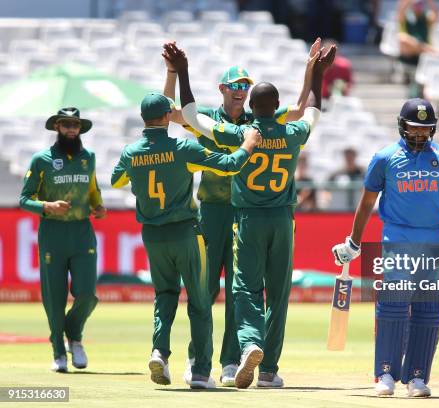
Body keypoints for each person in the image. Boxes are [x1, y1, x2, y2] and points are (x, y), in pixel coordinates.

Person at [164, 41, 334, 389]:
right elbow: (309, 111)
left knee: (242, 292)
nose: (241, 90)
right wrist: (317, 72)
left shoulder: (244, 131)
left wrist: (182, 71)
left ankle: (232, 360)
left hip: (245, 216)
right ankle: (212, 360)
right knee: (210, 289)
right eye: (235, 85)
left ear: (253, 103)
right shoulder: (281, 131)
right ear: (224, 89)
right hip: (227, 212)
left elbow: (300, 107)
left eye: (246, 86)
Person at [110, 92, 260, 388]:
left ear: (143, 118)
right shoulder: (182, 148)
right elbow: (230, 165)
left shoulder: (131, 152)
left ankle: (159, 352)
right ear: (168, 117)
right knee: (200, 300)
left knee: (164, 295)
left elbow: (117, 181)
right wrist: (248, 145)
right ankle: (202, 372)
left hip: (152, 236)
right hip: (185, 232)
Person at [331, 98, 439, 397]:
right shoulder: (385, 157)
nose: (420, 134)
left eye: (426, 128)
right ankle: (385, 374)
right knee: (393, 307)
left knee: (429, 311)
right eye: (414, 127)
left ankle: (418, 377)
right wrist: (354, 241)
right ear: (402, 125)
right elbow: (367, 203)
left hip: (434, 242)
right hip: (397, 242)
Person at [19, 107, 106, 372]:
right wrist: (47, 206)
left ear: (80, 129)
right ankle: (59, 349)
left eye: (75, 125)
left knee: (88, 295)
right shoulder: (41, 160)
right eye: (66, 125)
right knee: (54, 299)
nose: (71, 129)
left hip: (82, 232)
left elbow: (93, 190)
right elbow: (24, 199)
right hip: (53, 234)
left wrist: (99, 207)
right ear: (57, 127)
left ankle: (73, 332)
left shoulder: (88, 157)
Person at [397, 0, 439, 95]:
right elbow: (400, 13)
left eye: (420, 4)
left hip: (424, 56)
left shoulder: (426, 18)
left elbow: (437, 15)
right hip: (413, 54)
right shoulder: (408, 19)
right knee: (403, 38)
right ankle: (423, 47)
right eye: (416, 4)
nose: (418, 6)